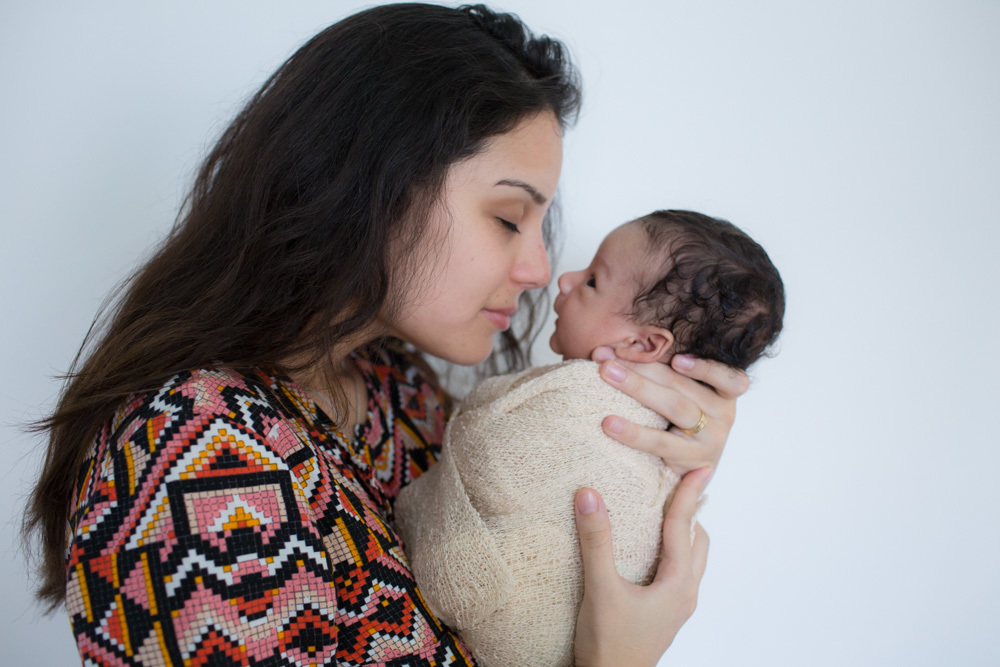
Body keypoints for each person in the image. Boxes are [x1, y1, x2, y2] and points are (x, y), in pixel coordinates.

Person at [26, 5, 748, 666]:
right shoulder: (199, 454)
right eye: (508, 218)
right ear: (374, 182)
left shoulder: (397, 391)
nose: (538, 269)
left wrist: (652, 451)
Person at [394, 210, 784, 665]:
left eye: (593, 280)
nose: (562, 278)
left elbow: (486, 450)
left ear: (643, 345)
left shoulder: (621, 420)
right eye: (506, 218)